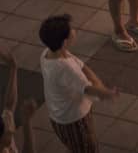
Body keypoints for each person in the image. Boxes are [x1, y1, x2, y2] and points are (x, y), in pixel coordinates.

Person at [38, 14, 116, 152]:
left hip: (60, 114)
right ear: (64, 41)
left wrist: (98, 83)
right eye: (71, 30)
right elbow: (88, 88)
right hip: (73, 119)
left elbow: (82, 67)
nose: (75, 31)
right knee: (87, 148)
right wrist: (107, 93)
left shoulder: (47, 54)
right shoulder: (65, 68)